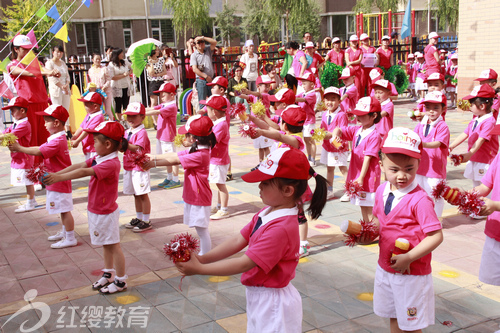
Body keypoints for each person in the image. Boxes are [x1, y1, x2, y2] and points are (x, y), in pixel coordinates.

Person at [175, 147, 328, 333]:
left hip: (273, 304)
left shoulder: (280, 229)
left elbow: (243, 264)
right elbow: (238, 240)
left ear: (287, 190)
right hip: (260, 296)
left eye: (265, 182)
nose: (259, 186)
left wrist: (200, 269)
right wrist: (203, 258)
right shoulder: (267, 211)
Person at [362, 127, 443, 333]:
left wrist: (410, 257)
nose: (402, 176)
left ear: (418, 164)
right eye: (394, 169)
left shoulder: (420, 200)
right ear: (381, 165)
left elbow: (436, 236)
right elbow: (380, 221)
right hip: (386, 268)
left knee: (411, 326)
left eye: (409, 169)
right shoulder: (381, 190)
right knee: (394, 318)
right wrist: (367, 233)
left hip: (411, 274)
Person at [44, 121, 129, 293]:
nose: (92, 143)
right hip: (96, 209)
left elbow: (84, 172)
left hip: (105, 212)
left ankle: (121, 281)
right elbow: (80, 165)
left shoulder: (110, 163)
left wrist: (58, 179)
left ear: (107, 144)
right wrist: (56, 174)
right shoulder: (100, 157)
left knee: (113, 245)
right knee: (106, 244)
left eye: (95, 140)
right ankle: (108, 273)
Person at [145, 115, 217, 255]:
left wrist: (152, 163)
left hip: (199, 197)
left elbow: (174, 160)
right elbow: (175, 154)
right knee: (199, 229)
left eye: (187, 134)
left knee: (202, 230)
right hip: (195, 195)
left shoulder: (200, 155)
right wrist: (153, 157)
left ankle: (205, 256)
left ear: (193, 138)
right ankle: (204, 254)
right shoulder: (197, 149)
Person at [10, 105, 77, 249]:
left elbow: (39, 151)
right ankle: (65, 232)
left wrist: (20, 148)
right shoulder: (55, 138)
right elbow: (40, 149)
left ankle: (70, 237)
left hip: (58, 180)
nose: (44, 124)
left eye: (46, 120)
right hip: (56, 179)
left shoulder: (57, 141)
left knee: (65, 210)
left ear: (56, 123)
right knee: (61, 209)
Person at [7, 35, 60, 160]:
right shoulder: (12, 65)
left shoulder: (37, 63)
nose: (27, 52)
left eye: (29, 49)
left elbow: (42, 69)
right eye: (24, 49)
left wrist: (51, 72)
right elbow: (30, 73)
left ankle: (45, 169)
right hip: (28, 107)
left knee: (45, 139)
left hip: (42, 105)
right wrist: (48, 72)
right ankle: (32, 170)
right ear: (16, 49)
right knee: (31, 140)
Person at [330, 96, 382, 222]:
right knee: (362, 205)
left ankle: (375, 231)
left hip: (367, 176)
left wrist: (361, 177)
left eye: (362, 114)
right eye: (356, 114)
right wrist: (335, 136)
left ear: (374, 116)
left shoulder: (374, 135)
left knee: (369, 207)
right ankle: (368, 229)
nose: (357, 117)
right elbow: (339, 129)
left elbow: (368, 158)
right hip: (357, 174)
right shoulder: (358, 130)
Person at [449, 84, 499, 192]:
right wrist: (451, 147)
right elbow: (465, 134)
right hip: (475, 158)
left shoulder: (489, 121)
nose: (469, 106)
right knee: (476, 187)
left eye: (472, 103)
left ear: (482, 106)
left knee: (485, 190)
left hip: (485, 161)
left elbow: (481, 139)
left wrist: (469, 154)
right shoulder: (476, 119)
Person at [413, 91, 449, 217]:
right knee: (420, 194)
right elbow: (414, 138)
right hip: (420, 167)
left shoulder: (442, 126)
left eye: (435, 108)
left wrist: (422, 144)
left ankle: (437, 219)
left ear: (443, 109)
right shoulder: (420, 125)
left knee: (436, 196)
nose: (431, 111)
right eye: (428, 108)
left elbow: (438, 143)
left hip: (435, 169)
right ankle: (423, 217)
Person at [470, 149, 500, 286]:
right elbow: (485, 187)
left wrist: (495, 205)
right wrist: (464, 195)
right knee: (492, 286)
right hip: (494, 232)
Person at [0, 97, 36, 212]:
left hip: (24, 157)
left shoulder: (24, 124)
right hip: (18, 157)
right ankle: (31, 200)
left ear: (22, 111)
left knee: (28, 181)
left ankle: (30, 203)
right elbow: (5, 132)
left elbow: (9, 136)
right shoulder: (16, 124)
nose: (11, 113)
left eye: (13, 110)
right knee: (27, 181)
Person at [122, 103, 152, 232]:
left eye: (134, 116)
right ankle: (139, 218)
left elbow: (137, 148)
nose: (130, 118)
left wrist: (123, 144)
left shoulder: (142, 133)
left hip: (139, 167)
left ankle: (146, 220)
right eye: (128, 115)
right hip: (129, 166)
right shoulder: (127, 131)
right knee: (135, 194)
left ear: (142, 117)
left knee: (143, 194)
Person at [145, 82, 181, 189]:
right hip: (161, 135)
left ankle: (176, 179)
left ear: (172, 95)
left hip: (168, 136)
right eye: (160, 95)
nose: (161, 97)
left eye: (164, 95)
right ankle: (169, 177)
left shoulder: (172, 106)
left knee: (171, 157)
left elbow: (155, 112)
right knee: (166, 158)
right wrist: (140, 110)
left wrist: (139, 113)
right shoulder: (165, 104)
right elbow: (152, 108)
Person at [202, 96, 231, 220]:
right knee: (218, 184)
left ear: (214, 112)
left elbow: (212, 141)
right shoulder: (219, 123)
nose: (206, 113)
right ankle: (219, 206)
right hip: (216, 159)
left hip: (219, 160)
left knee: (220, 184)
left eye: (207, 110)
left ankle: (224, 209)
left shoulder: (221, 125)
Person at [320, 87, 349, 199]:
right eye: (327, 99)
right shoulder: (324, 114)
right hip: (327, 146)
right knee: (330, 168)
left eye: (333, 99)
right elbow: (323, 129)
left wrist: (329, 134)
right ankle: (329, 189)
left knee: (342, 168)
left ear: (339, 101)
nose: (329, 102)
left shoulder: (341, 115)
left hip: (338, 146)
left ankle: (350, 190)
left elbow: (342, 131)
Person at [71, 92, 105, 160]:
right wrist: (74, 137)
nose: (85, 107)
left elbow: (87, 130)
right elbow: (81, 127)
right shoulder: (89, 115)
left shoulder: (98, 117)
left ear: (95, 106)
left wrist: (77, 141)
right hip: (87, 147)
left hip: (94, 148)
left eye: (86, 105)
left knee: (93, 167)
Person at [295, 73, 318, 166]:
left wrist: (292, 97)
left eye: (305, 83)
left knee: (311, 140)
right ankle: (309, 157)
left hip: (309, 121)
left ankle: (313, 158)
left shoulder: (312, 94)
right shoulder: (303, 93)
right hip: (303, 121)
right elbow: (298, 98)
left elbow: (302, 100)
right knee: (306, 140)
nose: (302, 85)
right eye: (302, 83)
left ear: (312, 85)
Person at [45, 46, 71, 126]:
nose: (59, 54)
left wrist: (66, 84)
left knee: (65, 109)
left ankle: (67, 129)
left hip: (65, 89)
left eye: (61, 52)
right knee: (57, 109)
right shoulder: (49, 63)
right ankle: (58, 127)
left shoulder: (63, 63)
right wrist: (61, 86)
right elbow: (51, 77)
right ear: (53, 52)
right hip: (56, 89)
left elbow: (67, 75)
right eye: (57, 52)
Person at [190, 35, 217, 106]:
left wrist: (203, 37)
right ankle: (203, 117)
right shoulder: (194, 55)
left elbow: (214, 42)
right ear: (195, 45)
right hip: (201, 80)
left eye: (202, 42)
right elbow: (194, 69)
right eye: (198, 42)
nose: (201, 43)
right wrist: (206, 76)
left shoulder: (208, 50)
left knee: (212, 101)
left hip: (210, 80)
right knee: (202, 102)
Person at [108, 48, 132, 123]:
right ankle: (118, 119)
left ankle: (125, 118)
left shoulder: (125, 61)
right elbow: (112, 77)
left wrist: (129, 72)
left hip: (126, 85)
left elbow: (132, 67)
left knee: (126, 102)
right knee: (118, 103)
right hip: (117, 86)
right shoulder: (111, 64)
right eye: (120, 53)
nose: (122, 55)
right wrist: (123, 75)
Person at [88, 53, 114, 120]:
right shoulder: (90, 70)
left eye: (99, 59)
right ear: (93, 60)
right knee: (99, 110)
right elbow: (91, 82)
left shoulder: (104, 69)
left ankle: (112, 124)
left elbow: (108, 80)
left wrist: (104, 86)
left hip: (106, 91)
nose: (98, 60)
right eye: (96, 59)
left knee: (108, 110)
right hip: (96, 92)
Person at [146, 48, 166, 128]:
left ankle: (162, 119)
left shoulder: (161, 60)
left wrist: (158, 75)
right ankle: (155, 122)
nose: (158, 51)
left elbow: (165, 71)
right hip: (153, 82)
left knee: (162, 101)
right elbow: (151, 73)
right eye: (157, 50)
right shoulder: (147, 62)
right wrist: (151, 63)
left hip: (160, 81)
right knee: (154, 102)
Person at [345, 35, 363, 99]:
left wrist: (351, 63)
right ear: (350, 42)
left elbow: (359, 60)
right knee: (349, 86)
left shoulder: (360, 50)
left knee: (357, 86)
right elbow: (347, 61)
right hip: (350, 71)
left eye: (355, 41)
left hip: (357, 71)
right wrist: (350, 66)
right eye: (353, 42)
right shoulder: (348, 50)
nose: (354, 43)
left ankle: (357, 100)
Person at [359, 33, 378, 97]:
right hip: (363, 69)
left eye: (367, 39)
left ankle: (370, 98)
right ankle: (361, 98)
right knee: (362, 84)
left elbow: (376, 57)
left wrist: (376, 62)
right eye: (364, 40)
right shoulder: (360, 48)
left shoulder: (372, 48)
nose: (366, 41)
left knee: (370, 84)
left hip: (371, 68)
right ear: (361, 41)